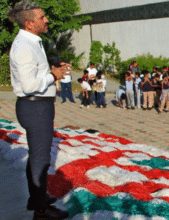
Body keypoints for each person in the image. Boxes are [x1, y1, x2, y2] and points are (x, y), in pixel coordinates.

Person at [8, 2, 70, 218]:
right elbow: (29, 85)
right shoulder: (24, 46)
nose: (47, 20)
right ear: (29, 23)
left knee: (37, 157)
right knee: (41, 160)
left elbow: (34, 75)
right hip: (34, 107)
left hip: (38, 106)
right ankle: (41, 210)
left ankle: (37, 198)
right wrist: (53, 76)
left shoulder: (31, 41)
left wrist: (51, 72)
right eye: (42, 17)